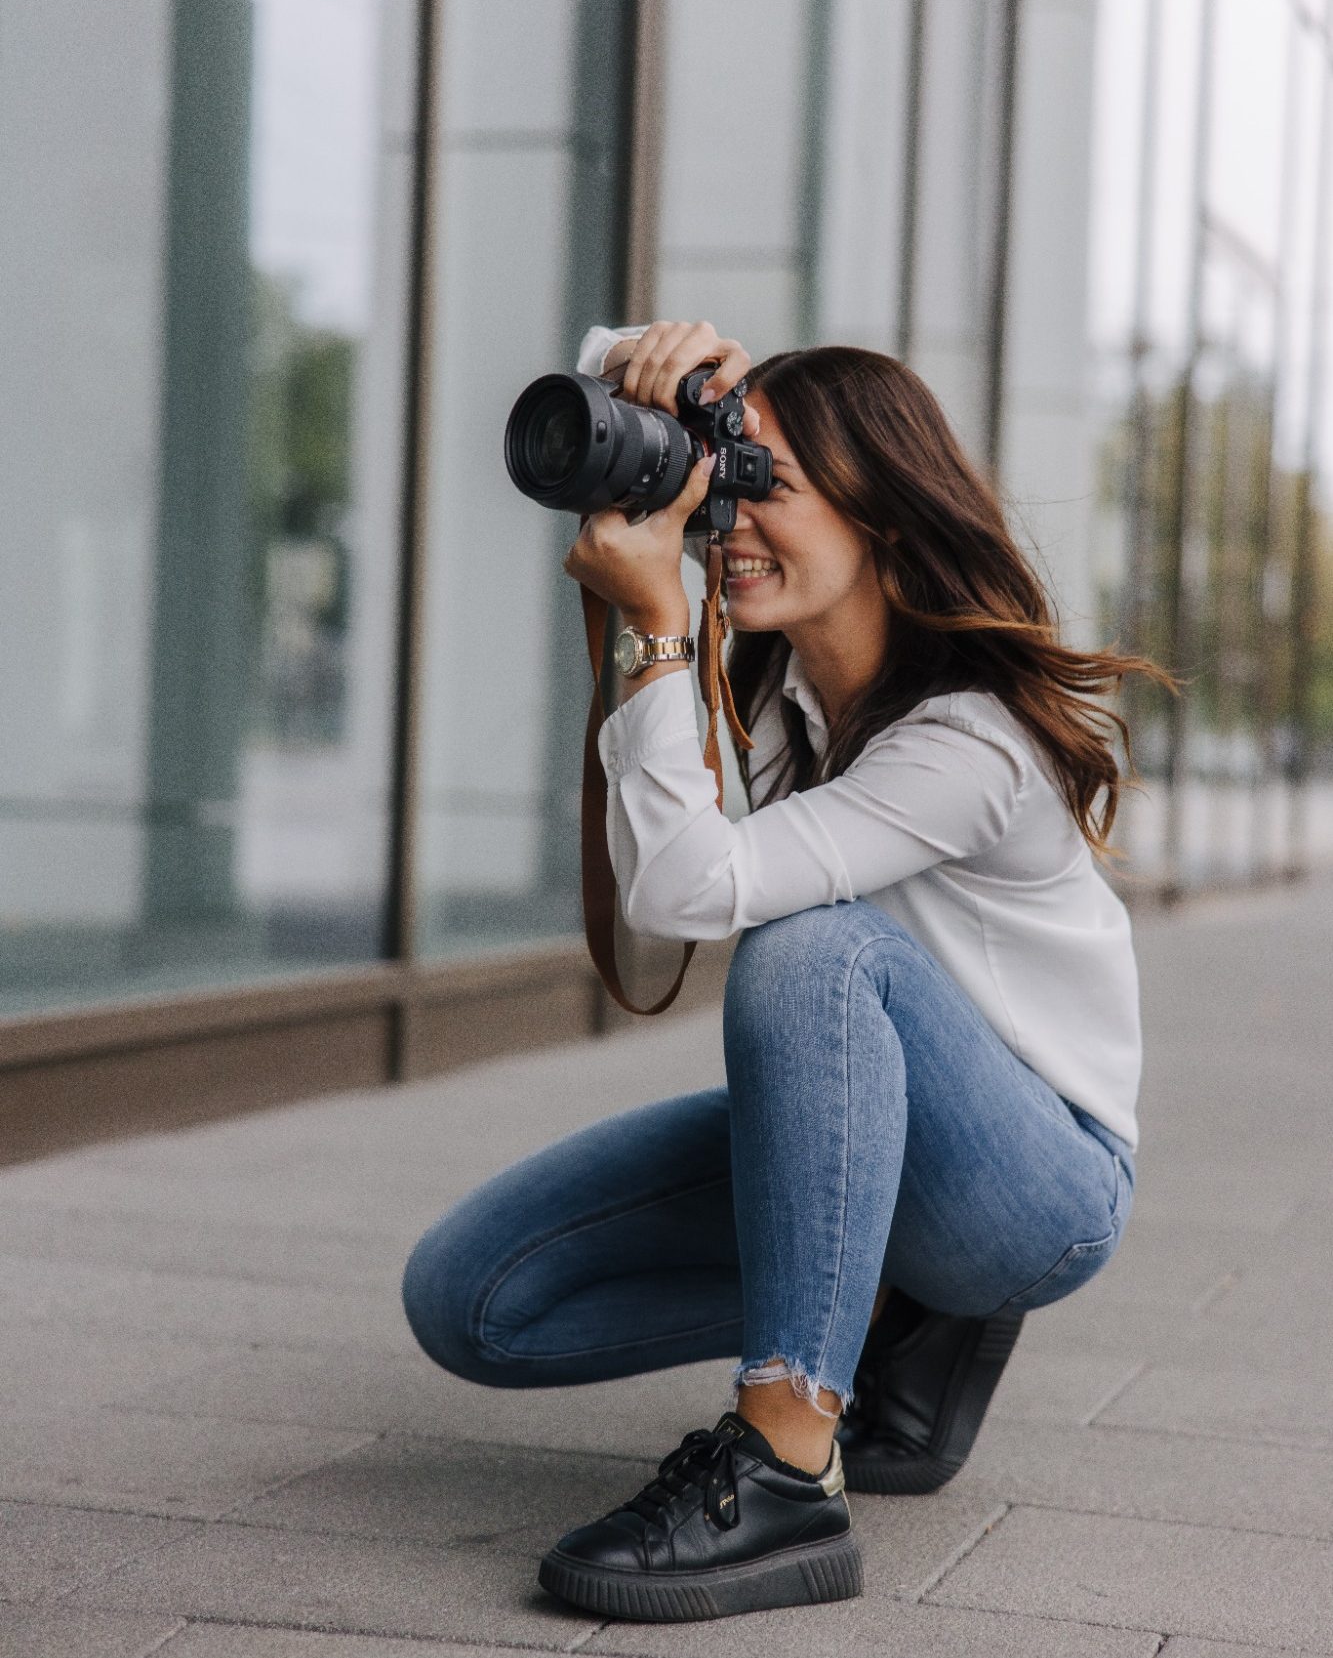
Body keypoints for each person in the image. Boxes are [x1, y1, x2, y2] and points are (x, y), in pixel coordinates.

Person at [402, 319, 1179, 1623]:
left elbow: (686, 892)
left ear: (882, 508)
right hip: (876, 1125)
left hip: (1034, 1181)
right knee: (472, 1300)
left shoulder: (969, 744)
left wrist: (656, 626)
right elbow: (651, 933)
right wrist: (639, 364)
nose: (733, 522)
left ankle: (783, 1459)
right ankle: (877, 1316)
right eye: (726, 482)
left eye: (771, 486)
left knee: (814, 949)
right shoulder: (777, 703)